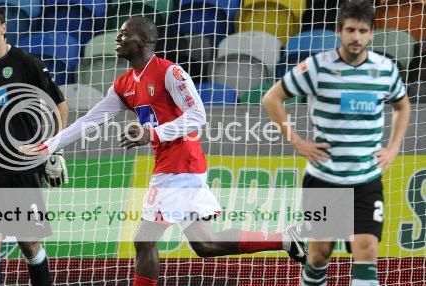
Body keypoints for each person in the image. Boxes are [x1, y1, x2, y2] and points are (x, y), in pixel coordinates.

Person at [22, 16, 307, 285]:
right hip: (175, 165)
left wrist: (152, 133)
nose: (118, 39)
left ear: (144, 40)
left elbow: (198, 115)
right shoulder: (123, 84)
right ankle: (286, 239)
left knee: (144, 240)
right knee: (205, 244)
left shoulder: (170, 72)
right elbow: (89, 120)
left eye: (125, 34)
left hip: (180, 165)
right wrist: (47, 147)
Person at [262, 1, 411, 285]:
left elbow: (402, 106)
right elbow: (271, 98)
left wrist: (393, 148)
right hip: (325, 179)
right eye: (351, 30)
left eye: (363, 31)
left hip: (366, 178)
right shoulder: (317, 67)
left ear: (371, 33)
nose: (356, 37)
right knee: (319, 255)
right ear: (339, 31)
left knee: (366, 249)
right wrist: (297, 141)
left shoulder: (385, 69)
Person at [0, 4, 69, 286]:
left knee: (28, 243)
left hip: (22, 165)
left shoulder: (25, 63)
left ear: (3, 27)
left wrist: (56, 148)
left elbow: (60, 105)